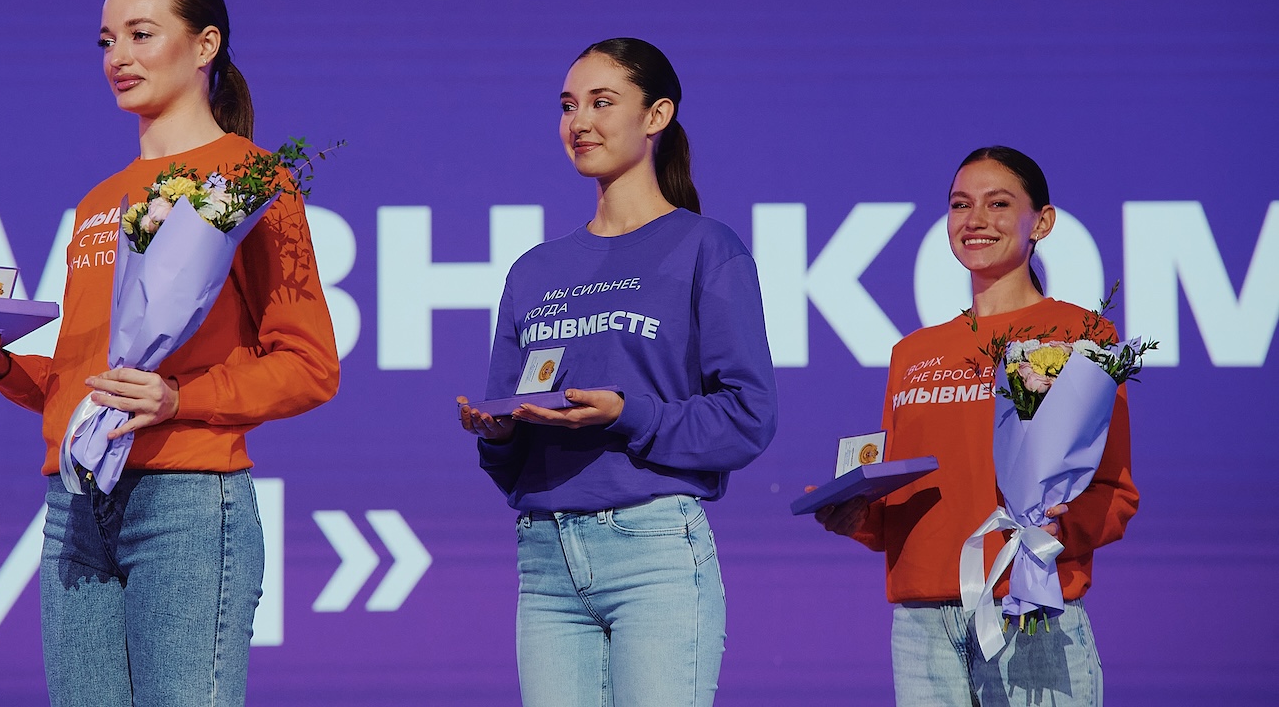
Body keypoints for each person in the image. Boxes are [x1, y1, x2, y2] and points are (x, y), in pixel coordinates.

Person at [0, 0, 341, 707]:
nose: (117, 57)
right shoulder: (99, 200)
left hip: (185, 502)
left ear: (205, 45)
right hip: (75, 502)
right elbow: (85, 380)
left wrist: (178, 397)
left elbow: (310, 365)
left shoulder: (251, 181)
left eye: (141, 34)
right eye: (106, 40)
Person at [457, 37, 777, 707]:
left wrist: (628, 413)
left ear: (656, 115)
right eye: (568, 105)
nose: (579, 122)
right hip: (546, 557)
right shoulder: (534, 271)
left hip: (654, 550)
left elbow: (748, 416)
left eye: (602, 102)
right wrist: (501, 433)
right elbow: (511, 451)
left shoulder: (705, 247)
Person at [814, 146, 1137, 707]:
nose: (975, 219)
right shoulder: (913, 352)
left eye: (998, 203)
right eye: (961, 205)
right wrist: (857, 514)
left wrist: (1056, 534)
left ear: (1042, 222)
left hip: (1028, 609)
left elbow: (1114, 491)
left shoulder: (1081, 337)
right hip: (922, 626)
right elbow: (906, 498)